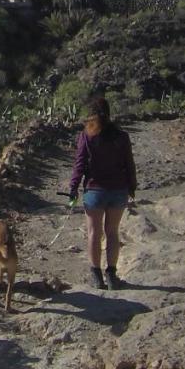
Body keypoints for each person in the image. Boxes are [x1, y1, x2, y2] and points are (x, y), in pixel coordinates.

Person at [67, 95, 136, 290]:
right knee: (112, 232)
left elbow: (79, 164)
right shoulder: (121, 136)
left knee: (93, 233)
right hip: (118, 190)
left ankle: (96, 276)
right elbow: (129, 163)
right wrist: (132, 186)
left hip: (94, 191)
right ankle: (112, 276)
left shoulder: (86, 136)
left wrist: (73, 187)